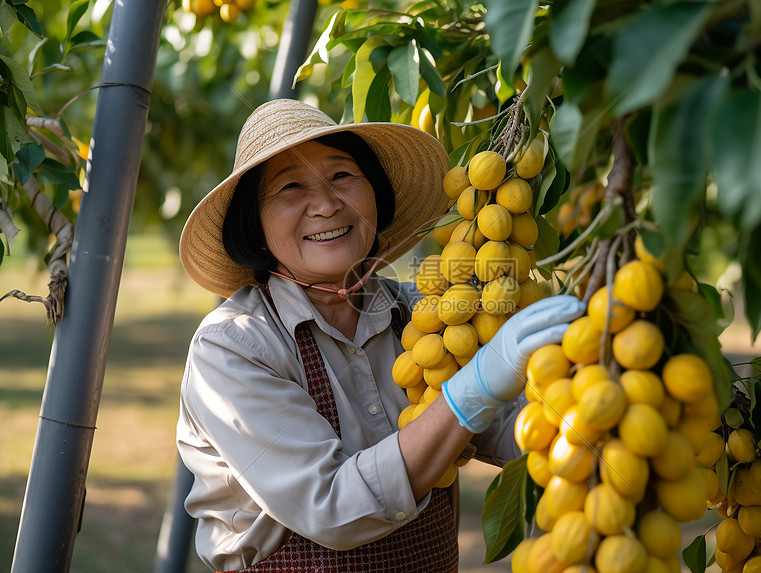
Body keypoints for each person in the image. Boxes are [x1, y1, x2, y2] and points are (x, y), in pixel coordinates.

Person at [176, 98, 584, 572]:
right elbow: (329, 508)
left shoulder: (420, 312)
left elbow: (516, 431)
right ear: (257, 228)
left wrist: (582, 377)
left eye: (343, 176)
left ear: (375, 196)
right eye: (291, 187)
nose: (327, 204)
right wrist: (470, 390)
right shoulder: (233, 348)